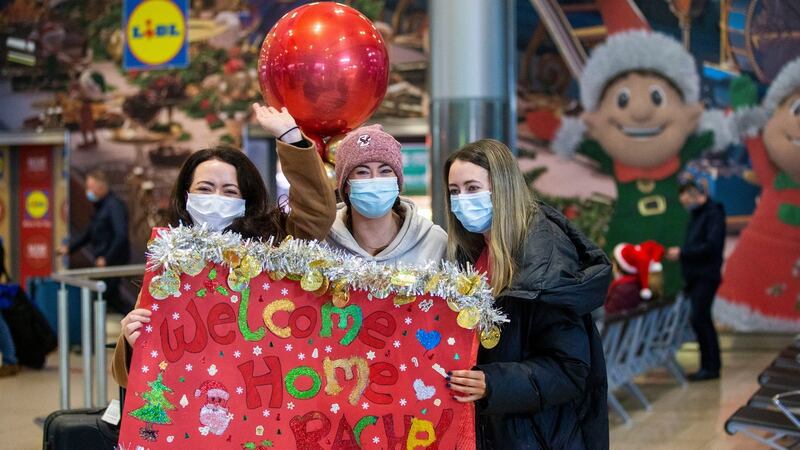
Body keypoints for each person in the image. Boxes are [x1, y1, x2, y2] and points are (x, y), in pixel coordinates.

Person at [112, 104, 336, 388]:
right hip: (196, 400)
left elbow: (317, 215)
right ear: (186, 195)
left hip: (263, 392)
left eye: (230, 191)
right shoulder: (169, 260)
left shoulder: (272, 248)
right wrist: (132, 343)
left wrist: (292, 139)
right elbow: (126, 378)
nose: (216, 198)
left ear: (246, 201)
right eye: (205, 188)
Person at [443, 139, 611, 449]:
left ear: (503, 189)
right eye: (454, 191)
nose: (462, 200)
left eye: (472, 188)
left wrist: (493, 383)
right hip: (491, 430)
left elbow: (570, 369)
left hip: (540, 435)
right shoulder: (471, 256)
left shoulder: (544, 260)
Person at [327, 124, 447, 264]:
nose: (375, 179)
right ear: (345, 185)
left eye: (385, 171)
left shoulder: (434, 242)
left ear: (397, 181)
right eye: (363, 172)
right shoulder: (323, 242)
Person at [666, 180, 726, 381]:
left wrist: (683, 253)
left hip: (706, 276)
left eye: (686, 201)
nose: (686, 206)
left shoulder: (713, 214)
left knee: (700, 318)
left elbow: (711, 246)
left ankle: (711, 367)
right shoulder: (698, 215)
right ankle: (708, 365)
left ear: (696, 195)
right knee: (700, 319)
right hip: (696, 276)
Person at [60, 169, 131, 313]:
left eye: (90, 187)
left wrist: (107, 258)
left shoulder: (114, 206)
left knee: (104, 298)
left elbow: (121, 235)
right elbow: (89, 232)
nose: (88, 192)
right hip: (104, 263)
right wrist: (70, 248)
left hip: (111, 264)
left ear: (101, 187)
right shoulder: (101, 207)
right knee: (111, 299)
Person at [605, 241, 664, 315]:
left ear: (619, 267)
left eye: (613, 263)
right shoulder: (640, 285)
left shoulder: (622, 290)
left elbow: (608, 317)